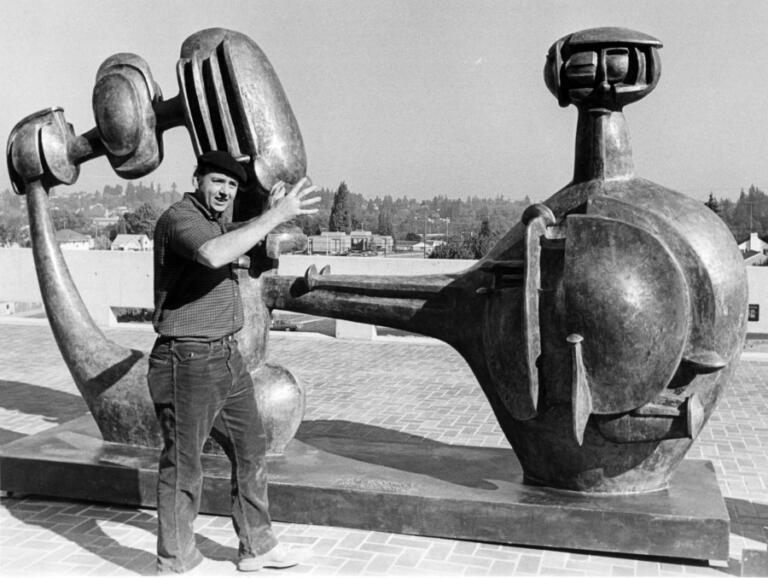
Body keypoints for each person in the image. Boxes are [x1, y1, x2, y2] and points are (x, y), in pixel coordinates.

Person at [147, 150, 320, 574]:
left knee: (251, 450)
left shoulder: (215, 220)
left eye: (231, 185)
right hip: (186, 359)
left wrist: (267, 215)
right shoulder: (180, 219)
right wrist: (275, 214)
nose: (224, 191)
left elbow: (237, 236)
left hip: (226, 356)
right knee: (184, 463)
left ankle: (257, 547)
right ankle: (176, 561)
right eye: (217, 182)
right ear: (197, 179)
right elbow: (212, 254)